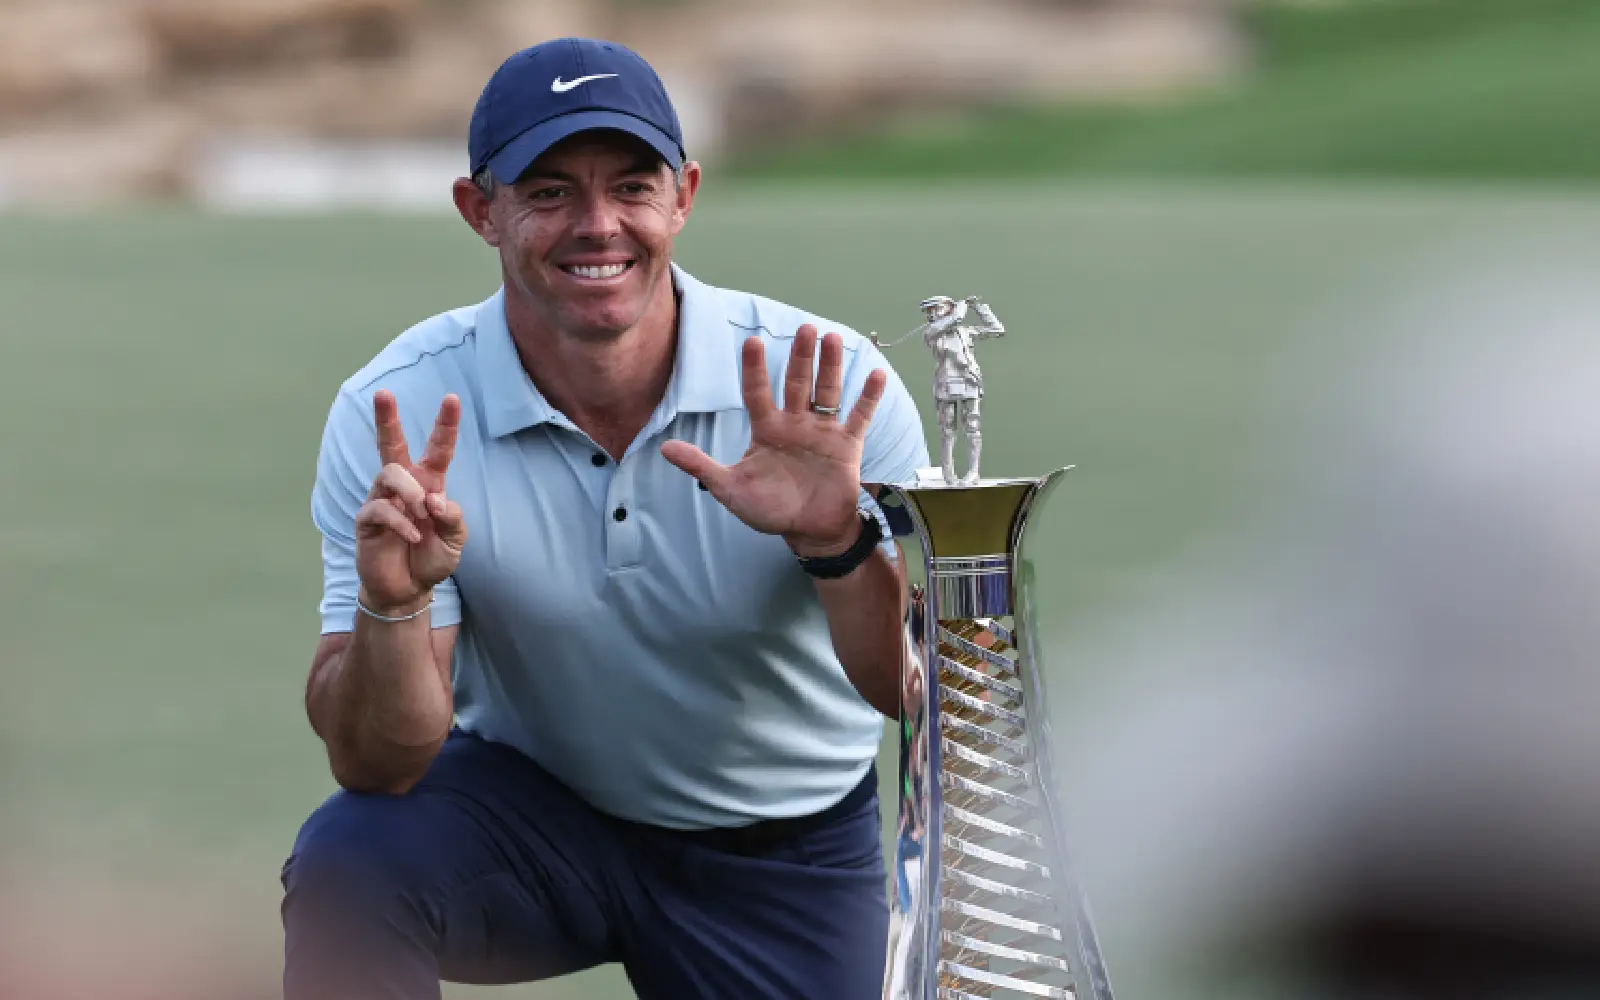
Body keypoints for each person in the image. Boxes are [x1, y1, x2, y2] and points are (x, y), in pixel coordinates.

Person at [281, 37, 928, 1000]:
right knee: (352, 863)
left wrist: (839, 543)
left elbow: (919, 697)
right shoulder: (400, 410)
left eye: (632, 187)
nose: (597, 226)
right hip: (535, 811)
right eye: (549, 193)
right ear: (480, 211)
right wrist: (396, 608)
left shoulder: (828, 389)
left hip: (779, 851)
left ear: (684, 196)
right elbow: (376, 764)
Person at [875, 295, 1003, 483]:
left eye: (937, 309)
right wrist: (962, 306)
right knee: (947, 429)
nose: (932, 314)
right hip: (946, 383)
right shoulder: (932, 332)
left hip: (970, 380)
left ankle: (973, 471)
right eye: (929, 311)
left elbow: (997, 329)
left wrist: (979, 307)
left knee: (973, 427)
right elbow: (957, 318)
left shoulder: (965, 332)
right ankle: (948, 473)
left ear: (948, 308)